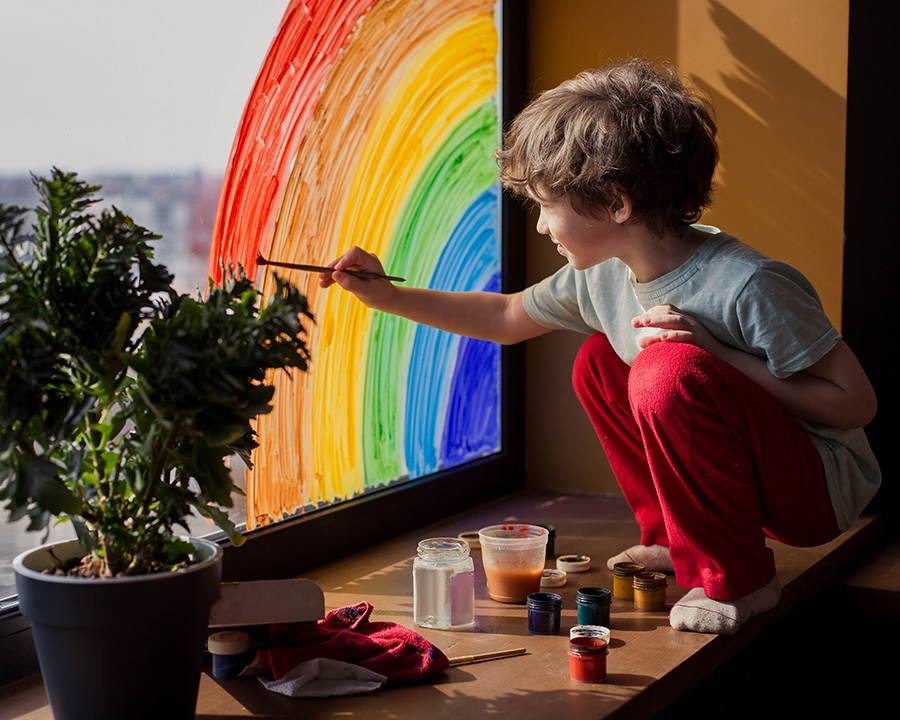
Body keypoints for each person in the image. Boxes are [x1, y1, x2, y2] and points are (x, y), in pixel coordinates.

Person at [319, 58, 880, 635]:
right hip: (744, 475)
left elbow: (855, 404)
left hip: (816, 491)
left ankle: (738, 579)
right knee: (600, 362)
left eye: (547, 205)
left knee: (667, 372)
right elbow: (509, 315)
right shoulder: (602, 275)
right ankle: (672, 540)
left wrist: (720, 355)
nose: (539, 226)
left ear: (616, 203)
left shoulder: (748, 284)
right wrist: (386, 297)